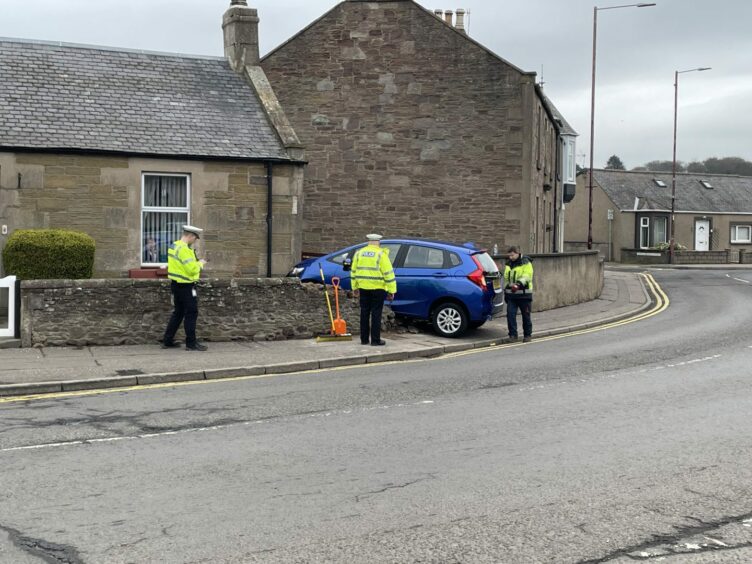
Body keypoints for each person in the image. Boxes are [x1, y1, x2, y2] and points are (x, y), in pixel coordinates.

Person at [162, 225, 208, 351]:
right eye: (195, 238)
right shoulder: (185, 250)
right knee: (192, 313)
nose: (195, 241)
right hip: (187, 286)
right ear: (190, 236)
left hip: (176, 285)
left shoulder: (174, 245)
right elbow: (192, 269)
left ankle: (167, 340)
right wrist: (201, 263)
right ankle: (191, 343)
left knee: (178, 312)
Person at [350, 233, 397, 346]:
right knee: (376, 314)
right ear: (378, 242)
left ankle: (364, 339)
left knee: (364, 313)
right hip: (378, 288)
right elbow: (388, 274)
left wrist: (354, 287)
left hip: (363, 287)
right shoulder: (381, 254)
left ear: (368, 241)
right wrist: (392, 290)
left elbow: (353, 271)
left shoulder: (359, 253)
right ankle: (375, 340)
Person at [503, 245, 534, 343]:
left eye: (512, 255)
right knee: (510, 315)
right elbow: (506, 279)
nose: (510, 257)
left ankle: (527, 335)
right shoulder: (508, 264)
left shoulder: (525, 262)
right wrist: (506, 290)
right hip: (512, 296)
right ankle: (513, 335)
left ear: (517, 253)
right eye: (509, 256)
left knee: (526, 316)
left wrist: (518, 284)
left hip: (524, 295)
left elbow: (527, 275)